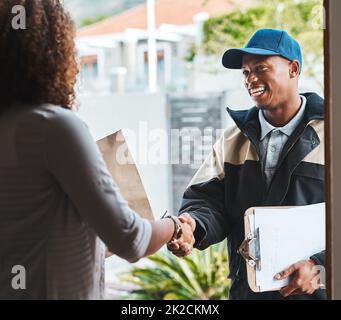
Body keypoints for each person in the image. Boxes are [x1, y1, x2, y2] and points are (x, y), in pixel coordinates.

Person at [0, 0, 195, 300]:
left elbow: (35, 231)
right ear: (51, 51)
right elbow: (132, 240)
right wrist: (175, 226)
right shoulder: (55, 127)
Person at [168, 29, 326, 300]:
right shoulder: (232, 141)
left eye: (261, 68)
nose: (251, 79)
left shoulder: (332, 136)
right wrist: (194, 226)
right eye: (245, 72)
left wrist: (320, 266)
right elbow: (206, 202)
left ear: (293, 68)